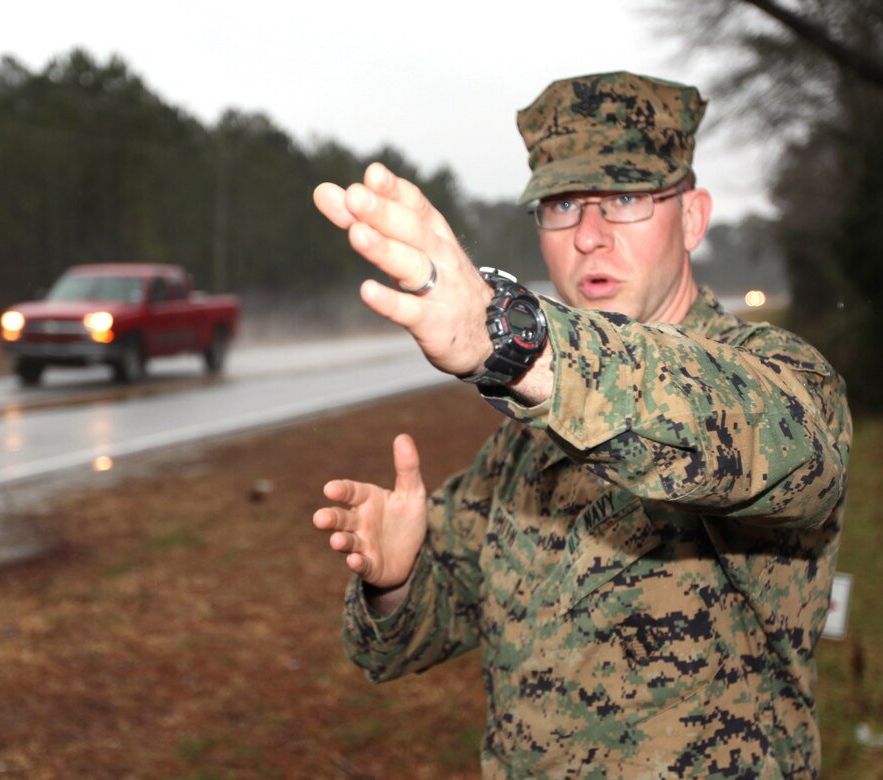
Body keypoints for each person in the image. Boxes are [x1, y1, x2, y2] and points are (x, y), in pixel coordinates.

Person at [311, 71, 852, 778]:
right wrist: (397, 578)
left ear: (692, 217)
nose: (589, 236)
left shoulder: (777, 379)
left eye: (625, 198)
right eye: (562, 206)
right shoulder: (523, 444)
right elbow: (399, 644)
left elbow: (744, 433)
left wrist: (511, 339)